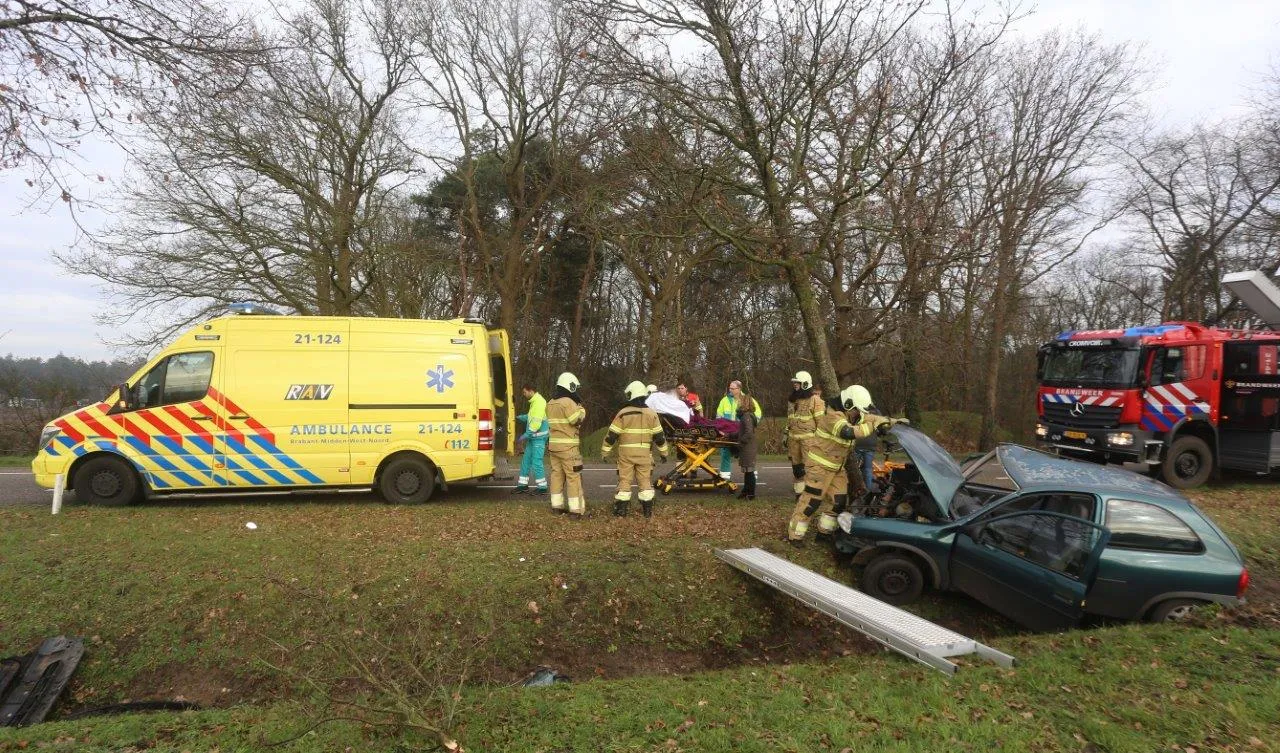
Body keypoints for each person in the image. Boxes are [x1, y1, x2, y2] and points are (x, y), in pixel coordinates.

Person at [787, 385, 906, 547]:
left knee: (838, 502)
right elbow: (848, 432)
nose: (860, 413)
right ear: (849, 404)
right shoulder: (832, 416)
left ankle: (824, 533)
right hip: (819, 467)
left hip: (836, 468)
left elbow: (870, 418)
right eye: (858, 410)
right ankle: (795, 535)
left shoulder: (852, 414)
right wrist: (873, 426)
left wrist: (890, 422)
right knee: (811, 502)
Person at [602, 381, 669, 518]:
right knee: (645, 481)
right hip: (644, 455)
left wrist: (605, 452)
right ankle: (647, 512)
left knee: (624, 481)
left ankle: (621, 512)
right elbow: (659, 437)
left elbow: (611, 436)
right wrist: (664, 453)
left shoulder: (623, 413)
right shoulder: (652, 414)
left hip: (626, 455)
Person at [546, 372, 587, 516]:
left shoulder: (550, 402)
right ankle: (576, 510)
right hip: (568, 448)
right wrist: (581, 409)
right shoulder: (568, 402)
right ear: (570, 385)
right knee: (573, 478)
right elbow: (576, 420)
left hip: (554, 447)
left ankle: (556, 507)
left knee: (556, 476)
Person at [785, 370, 825, 502]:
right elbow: (790, 420)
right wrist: (785, 436)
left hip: (809, 442)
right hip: (793, 440)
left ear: (805, 384)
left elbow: (821, 423)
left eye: (798, 382)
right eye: (794, 382)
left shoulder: (815, 401)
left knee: (810, 469)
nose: (795, 384)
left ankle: (811, 495)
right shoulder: (792, 400)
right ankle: (799, 495)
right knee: (797, 470)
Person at [715, 380, 760, 481]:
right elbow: (719, 417)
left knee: (746, 455)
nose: (730, 390)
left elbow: (757, 415)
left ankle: (752, 476)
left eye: (732, 388)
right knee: (725, 453)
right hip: (728, 433)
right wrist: (721, 430)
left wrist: (749, 426)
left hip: (742, 433)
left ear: (739, 389)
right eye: (729, 388)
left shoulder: (747, 400)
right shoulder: (724, 400)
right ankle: (724, 477)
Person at [512, 384, 548, 495]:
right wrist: (519, 417)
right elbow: (530, 417)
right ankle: (523, 485)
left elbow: (536, 424)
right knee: (526, 461)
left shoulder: (539, 402)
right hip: (533, 438)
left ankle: (542, 488)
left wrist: (525, 435)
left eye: (524, 392)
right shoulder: (534, 402)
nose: (524, 394)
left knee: (536, 462)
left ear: (531, 391)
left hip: (538, 438)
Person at [734, 387, 762, 500]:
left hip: (748, 447)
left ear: (744, 403)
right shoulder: (746, 416)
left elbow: (748, 433)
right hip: (747, 447)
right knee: (747, 471)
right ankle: (746, 491)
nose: (738, 403)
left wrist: (740, 441)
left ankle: (751, 493)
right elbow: (743, 431)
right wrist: (733, 435)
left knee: (749, 471)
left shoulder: (746, 416)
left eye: (740, 401)